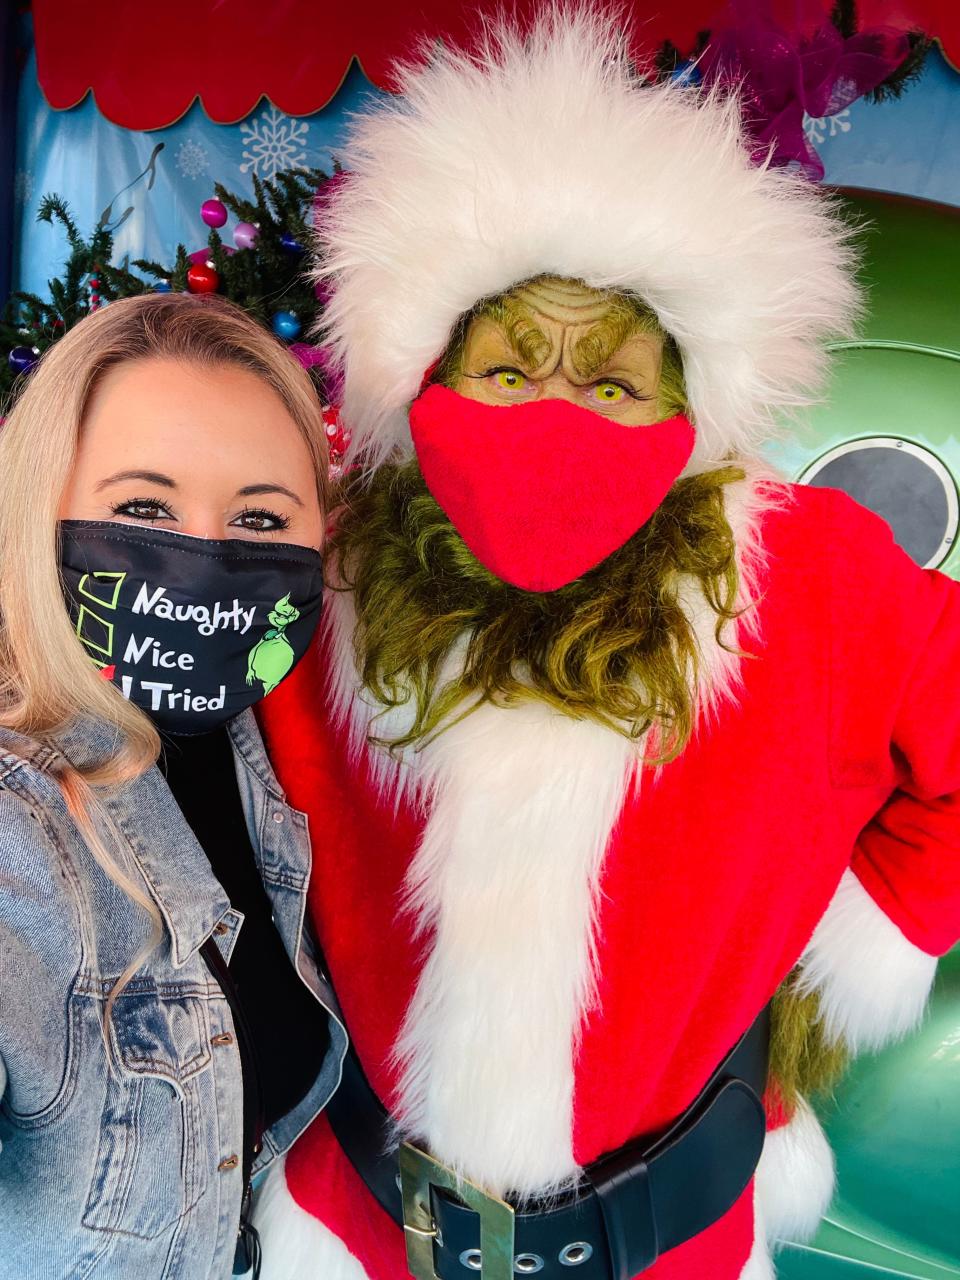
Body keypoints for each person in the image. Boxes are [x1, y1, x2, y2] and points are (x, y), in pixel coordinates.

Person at [251, 13, 960, 1280]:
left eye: (614, 380)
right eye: (511, 370)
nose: (557, 416)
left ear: (692, 409)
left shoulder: (817, 578)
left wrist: (871, 925)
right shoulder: (326, 566)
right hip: (354, 1225)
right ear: (429, 378)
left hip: (673, 1232)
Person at [0, 292, 344, 1279]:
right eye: (143, 509)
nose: (203, 556)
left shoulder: (260, 735)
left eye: (260, 515)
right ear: (41, 504)